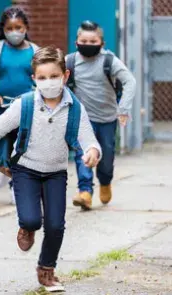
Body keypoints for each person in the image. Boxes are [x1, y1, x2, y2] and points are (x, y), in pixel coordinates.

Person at [0, 46, 101, 292]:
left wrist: (92, 152)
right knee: (31, 218)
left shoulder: (75, 108)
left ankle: (47, 268)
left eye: (54, 76)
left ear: (66, 76)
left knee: (55, 225)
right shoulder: (25, 104)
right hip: (26, 170)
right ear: (34, 79)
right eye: (42, 78)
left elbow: (88, 138)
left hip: (55, 173)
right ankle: (27, 225)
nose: (48, 82)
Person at [67, 21, 136, 210]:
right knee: (82, 154)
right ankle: (85, 192)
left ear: (102, 43)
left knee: (105, 159)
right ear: (76, 42)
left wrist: (123, 109)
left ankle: (105, 181)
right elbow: (57, 81)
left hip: (107, 118)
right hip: (82, 119)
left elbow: (130, 81)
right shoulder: (70, 62)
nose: (88, 44)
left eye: (93, 40)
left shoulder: (109, 61)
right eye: (84, 40)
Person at [0, 6, 38, 204]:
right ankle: (2, 166)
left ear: (26, 27)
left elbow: (41, 76)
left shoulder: (34, 51)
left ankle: (14, 184)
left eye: (18, 27)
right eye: (10, 28)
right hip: (0, 107)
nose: (14, 32)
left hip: (26, 109)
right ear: (3, 29)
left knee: (19, 147)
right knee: (0, 144)